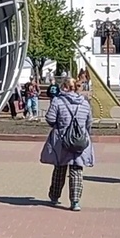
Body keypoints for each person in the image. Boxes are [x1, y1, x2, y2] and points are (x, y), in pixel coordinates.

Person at [41, 79, 95, 211]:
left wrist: (58, 127)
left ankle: (54, 196)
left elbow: (50, 118)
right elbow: (89, 122)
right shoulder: (84, 102)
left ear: (64, 87)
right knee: (77, 169)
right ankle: (75, 201)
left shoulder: (57, 101)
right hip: (80, 140)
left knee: (60, 168)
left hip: (62, 140)